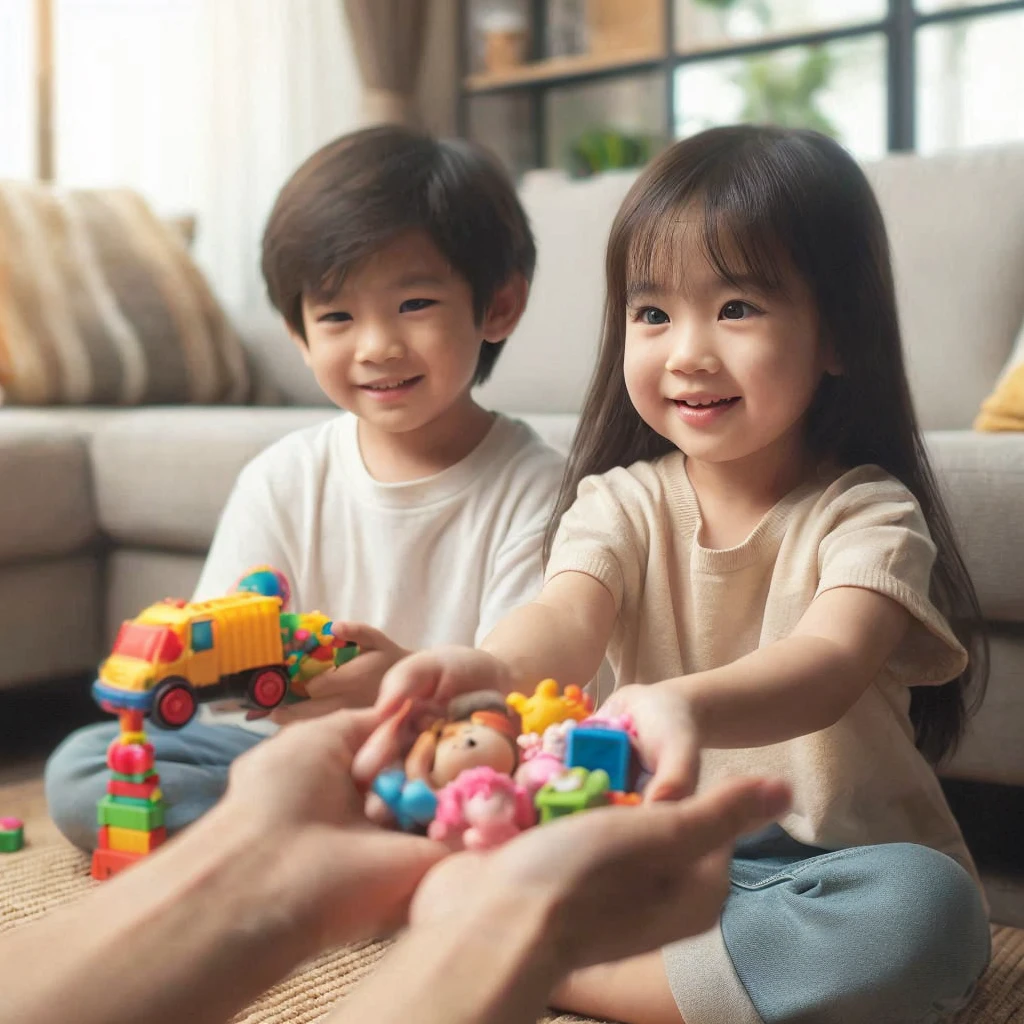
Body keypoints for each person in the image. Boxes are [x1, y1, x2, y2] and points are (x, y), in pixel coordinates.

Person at [367, 126, 993, 1024]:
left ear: (837, 336)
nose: (687, 352)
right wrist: (488, 672)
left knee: (926, 919)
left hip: (828, 867)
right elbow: (565, 616)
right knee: (460, 820)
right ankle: (674, 976)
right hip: (653, 856)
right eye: (653, 314)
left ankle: (548, 968)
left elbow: (829, 661)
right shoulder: (620, 501)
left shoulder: (869, 513)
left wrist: (684, 705)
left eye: (737, 308)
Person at [44, 125, 564, 850]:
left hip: (445, 762)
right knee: (89, 767)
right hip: (288, 759)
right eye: (338, 317)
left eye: (414, 304)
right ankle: (351, 840)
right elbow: (216, 664)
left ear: (499, 306)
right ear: (299, 333)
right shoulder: (284, 475)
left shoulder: (534, 489)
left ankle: (331, 844)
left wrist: (411, 681)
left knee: (533, 788)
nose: (377, 345)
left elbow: (525, 700)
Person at [5, 704, 793, 1024]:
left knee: (907, 902)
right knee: (97, 758)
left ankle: (505, 920)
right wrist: (504, 924)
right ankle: (564, 936)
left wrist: (260, 862)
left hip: (537, 808)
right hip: (380, 800)